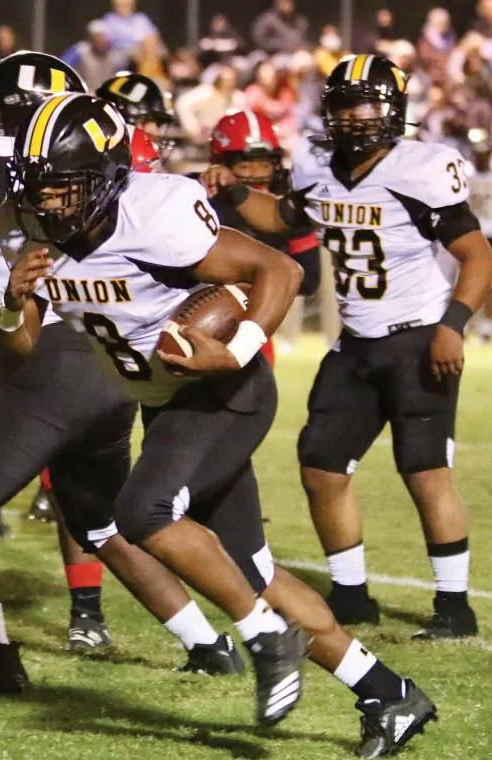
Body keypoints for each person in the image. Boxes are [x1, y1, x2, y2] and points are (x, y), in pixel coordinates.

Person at [0, 90, 437, 756]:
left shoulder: (153, 214)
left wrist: (235, 349)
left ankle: (264, 636)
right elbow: (17, 356)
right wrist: (12, 303)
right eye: (38, 183)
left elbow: (278, 268)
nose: (48, 199)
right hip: (166, 402)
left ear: (107, 176)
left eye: (64, 183)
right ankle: (389, 693)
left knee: (142, 510)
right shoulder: (24, 230)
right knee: (252, 574)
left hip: (224, 389)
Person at [0, 52, 246, 668]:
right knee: (99, 520)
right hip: (111, 357)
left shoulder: (8, 169)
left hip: (51, 353)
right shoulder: (92, 168)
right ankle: (208, 645)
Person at [202, 55, 492, 639]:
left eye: (366, 106)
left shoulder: (420, 168)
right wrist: (233, 191)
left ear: (394, 110)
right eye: (344, 106)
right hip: (356, 342)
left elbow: (477, 254)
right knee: (321, 466)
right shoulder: (318, 166)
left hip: (417, 336)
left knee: (426, 470)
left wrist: (452, 324)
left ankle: (454, 607)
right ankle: (352, 595)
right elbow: (281, 217)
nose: (355, 118)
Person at [207, 109, 320, 366]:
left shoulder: (284, 207)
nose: (256, 173)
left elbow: (309, 278)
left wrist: (254, 280)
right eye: (245, 165)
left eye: (264, 164)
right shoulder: (199, 198)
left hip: (251, 321)